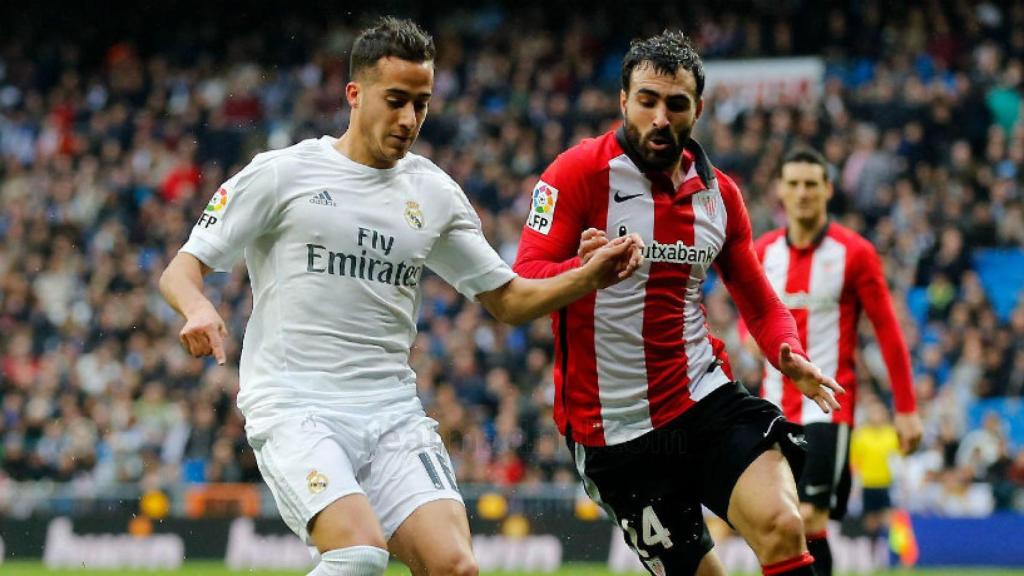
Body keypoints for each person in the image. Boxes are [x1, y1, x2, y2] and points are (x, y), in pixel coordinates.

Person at [159, 17, 642, 576]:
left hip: (391, 412)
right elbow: (181, 268)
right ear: (354, 94)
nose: (410, 119)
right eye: (395, 101)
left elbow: (507, 300)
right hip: (297, 406)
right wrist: (197, 306)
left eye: (422, 103)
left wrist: (588, 277)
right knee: (359, 554)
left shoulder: (431, 192)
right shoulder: (281, 174)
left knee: (456, 567)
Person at [514, 30, 843, 576]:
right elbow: (522, 283)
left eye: (676, 103)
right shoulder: (574, 174)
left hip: (702, 399)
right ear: (624, 101)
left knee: (785, 526)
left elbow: (758, 298)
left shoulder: (720, 195)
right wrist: (583, 271)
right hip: (612, 431)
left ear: (698, 109)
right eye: (647, 101)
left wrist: (786, 349)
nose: (660, 117)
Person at [747, 147, 922, 576]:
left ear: (827, 189)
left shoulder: (855, 253)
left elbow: (887, 331)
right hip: (770, 410)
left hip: (828, 408)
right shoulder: (762, 252)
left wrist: (906, 408)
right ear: (779, 192)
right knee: (779, 525)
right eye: (793, 184)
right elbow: (745, 319)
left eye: (811, 184)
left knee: (807, 517)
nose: (802, 193)